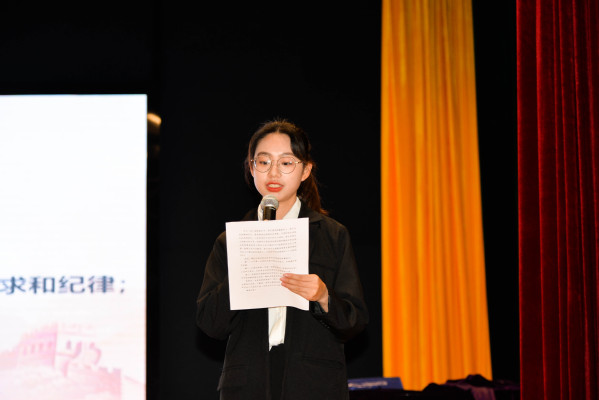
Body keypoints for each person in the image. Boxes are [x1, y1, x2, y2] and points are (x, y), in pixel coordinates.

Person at [196, 119, 369, 400]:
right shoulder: (230, 241)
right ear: (251, 168)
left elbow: (355, 321)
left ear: (305, 170)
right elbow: (209, 323)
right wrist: (243, 269)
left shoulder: (332, 235)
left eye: (286, 163)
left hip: (313, 383)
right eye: (264, 162)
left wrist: (323, 296)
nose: (273, 172)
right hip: (248, 384)